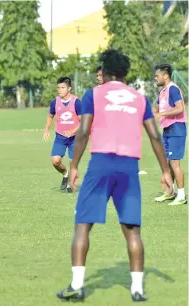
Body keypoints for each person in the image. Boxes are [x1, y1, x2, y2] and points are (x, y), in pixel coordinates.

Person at [56, 49, 173, 302]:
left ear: (106, 72)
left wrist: (74, 165)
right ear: (125, 73)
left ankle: (77, 286)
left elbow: (84, 131)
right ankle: (138, 289)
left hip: (100, 163)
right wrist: (165, 170)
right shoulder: (139, 98)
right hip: (129, 167)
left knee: (82, 227)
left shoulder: (94, 95)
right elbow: (154, 135)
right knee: (132, 232)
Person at [153, 64, 187, 206]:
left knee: (174, 163)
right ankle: (170, 193)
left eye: (157, 75)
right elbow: (155, 108)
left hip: (177, 130)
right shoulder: (163, 92)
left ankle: (181, 196)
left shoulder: (173, 89)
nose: (155, 78)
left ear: (165, 76)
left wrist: (161, 114)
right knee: (168, 163)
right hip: (167, 130)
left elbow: (179, 108)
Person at [43, 77, 81, 193]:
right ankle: (65, 174)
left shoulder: (77, 102)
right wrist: (46, 129)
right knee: (55, 161)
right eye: (58, 88)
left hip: (74, 138)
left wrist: (72, 131)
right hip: (60, 137)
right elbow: (50, 116)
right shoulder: (55, 102)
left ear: (69, 88)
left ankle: (71, 182)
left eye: (63, 88)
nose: (60, 90)